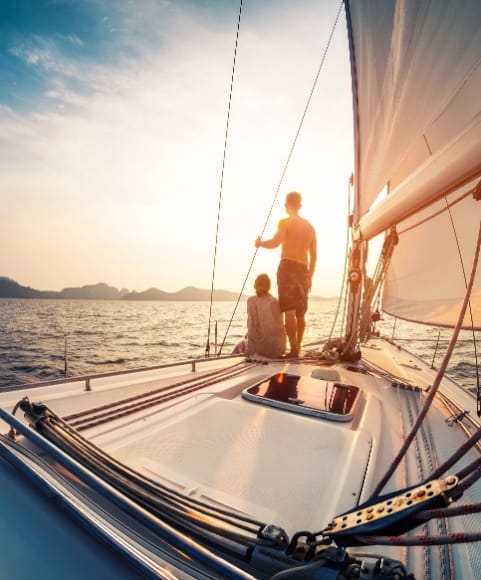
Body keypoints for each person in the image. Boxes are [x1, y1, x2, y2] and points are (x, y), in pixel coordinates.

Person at [255, 191, 316, 358]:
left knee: (289, 310)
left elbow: (275, 243)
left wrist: (259, 243)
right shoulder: (310, 227)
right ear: (300, 205)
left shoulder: (285, 222)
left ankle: (294, 349)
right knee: (300, 312)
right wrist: (309, 276)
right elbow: (314, 256)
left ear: (287, 205)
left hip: (288, 266)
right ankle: (297, 347)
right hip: (303, 269)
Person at [246, 273, 286, 358]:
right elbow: (279, 327)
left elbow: (252, 326)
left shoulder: (251, 301)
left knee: (244, 343)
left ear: (255, 285)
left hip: (259, 350)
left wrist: (250, 351)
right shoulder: (275, 301)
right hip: (278, 349)